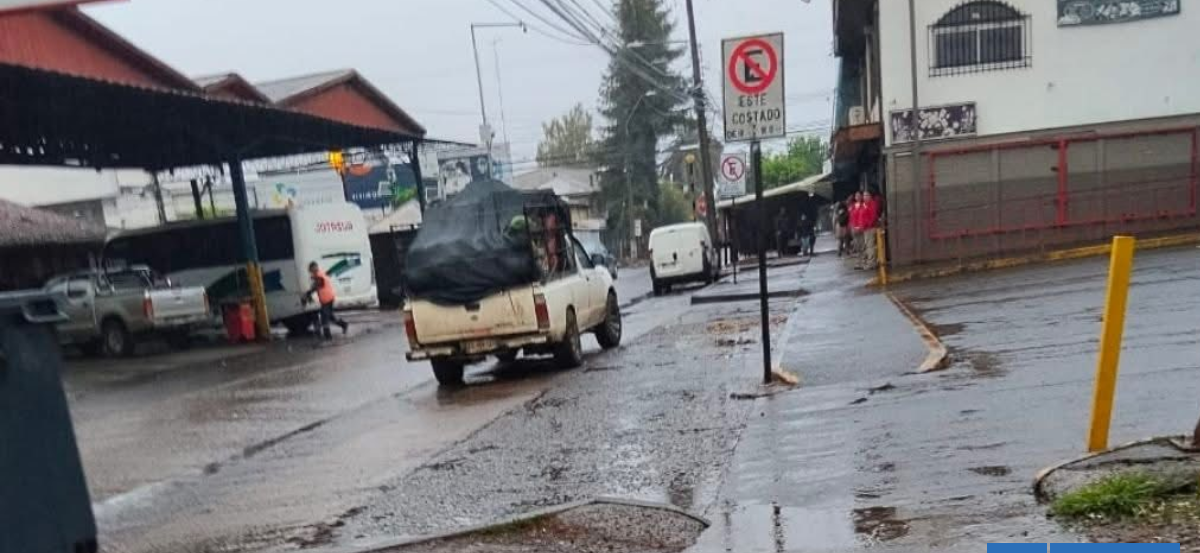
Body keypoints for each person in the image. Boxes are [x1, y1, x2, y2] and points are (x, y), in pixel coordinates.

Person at [303, 261, 348, 339]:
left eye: (312, 269)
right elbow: (316, 285)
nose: (311, 271)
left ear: (314, 268)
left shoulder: (319, 276)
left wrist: (308, 293)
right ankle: (343, 324)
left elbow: (318, 285)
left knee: (324, 317)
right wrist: (309, 292)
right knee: (330, 316)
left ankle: (328, 336)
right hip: (328, 298)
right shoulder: (319, 275)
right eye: (311, 270)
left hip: (327, 299)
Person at [858, 191, 881, 270]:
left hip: (869, 228)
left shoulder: (872, 204)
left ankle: (872, 263)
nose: (865, 197)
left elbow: (873, 216)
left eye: (867, 195)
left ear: (870, 196)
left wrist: (868, 224)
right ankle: (869, 261)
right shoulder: (864, 204)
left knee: (870, 246)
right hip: (865, 228)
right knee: (868, 246)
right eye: (864, 195)